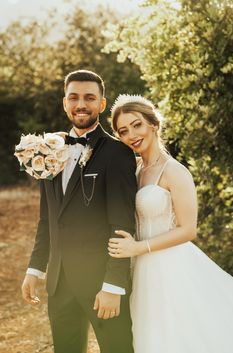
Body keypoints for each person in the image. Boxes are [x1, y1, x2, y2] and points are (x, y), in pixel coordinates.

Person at [108, 94, 233, 353]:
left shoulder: (175, 171)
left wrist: (139, 248)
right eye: (123, 131)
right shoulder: (133, 170)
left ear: (153, 124)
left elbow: (189, 230)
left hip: (172, 267)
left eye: (137, 125)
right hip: (142, 271)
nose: (132, 134)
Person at [21, 71, 137, 353]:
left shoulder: (118, 152)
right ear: (64, 103)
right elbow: (48, 219)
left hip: (102, 284)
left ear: (101, 104)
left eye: (89, 98)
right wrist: (35, 268)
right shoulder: (46, 152)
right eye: (74, 97)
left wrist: (113, 284)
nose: (81, 104)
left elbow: (122, 225)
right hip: (59, 283)